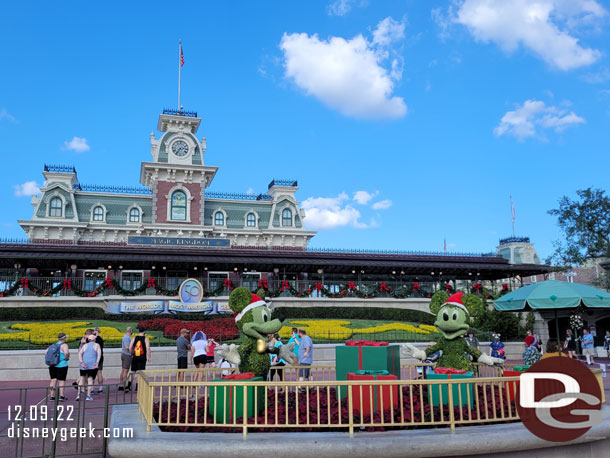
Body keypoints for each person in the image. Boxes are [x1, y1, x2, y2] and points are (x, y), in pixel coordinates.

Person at [77, 333, 101, 401]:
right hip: (92, 365)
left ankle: (78, 394)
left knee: (82, 378)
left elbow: (80, 353)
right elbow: (99, 354)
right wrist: (97, 362)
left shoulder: (85, 345)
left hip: (84, 364)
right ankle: (88, 395)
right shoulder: (96, 345)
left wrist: (81, 362)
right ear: (94, 339)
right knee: (90, 379)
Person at [48, 333, 70, 401]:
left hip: (53, 364)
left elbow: (46, 352)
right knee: (61, 381)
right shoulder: (64, 345)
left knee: (53, 380)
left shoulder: (53, 345)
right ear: (63, 338)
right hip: (62, 364)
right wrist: (66, 358)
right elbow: (66, 353)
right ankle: (61, 396)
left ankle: (52, 396)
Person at [128, 326, 151, 392]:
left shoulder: (134, 338)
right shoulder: (146, 338)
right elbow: (148, 348)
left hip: (135, 357)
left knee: (133, 371)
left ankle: (128, 386)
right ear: (144, 331)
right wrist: (149, 357)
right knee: (140, 373)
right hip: (142, 357)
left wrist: (131, 353)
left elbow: (130, 347)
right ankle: (137, 387)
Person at [118, 327, 132, 391]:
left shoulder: (125, 337)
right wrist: (131, 352)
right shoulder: (127, 337)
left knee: (123, 370)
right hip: (127, 355)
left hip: (124, 354)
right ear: (130, 331)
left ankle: (121, 385)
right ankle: (124, 385)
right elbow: (127, 347)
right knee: (125, 371)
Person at [94, 327, 105, 393]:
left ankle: (91, 388)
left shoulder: (93, 339)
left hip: (94, 357)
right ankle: (100, 388)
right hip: (100, 357)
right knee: (99, 372)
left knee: (92, 373)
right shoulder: (101, 339)